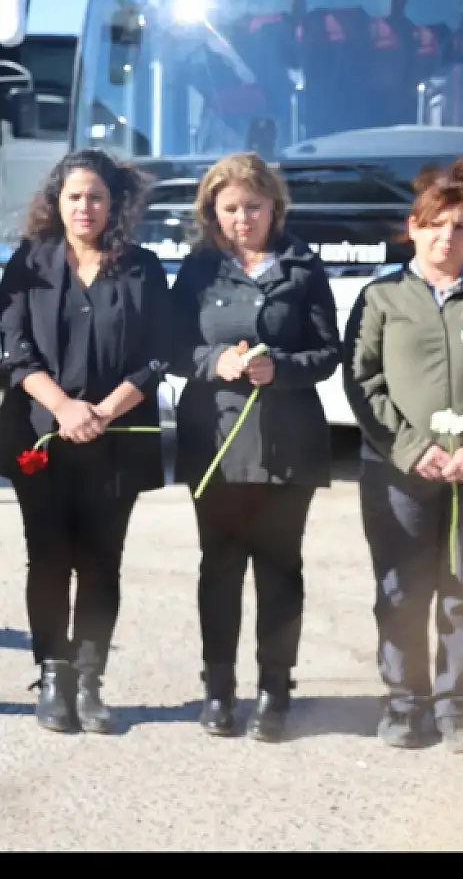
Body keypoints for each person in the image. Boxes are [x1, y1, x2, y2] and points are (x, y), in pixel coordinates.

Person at [0, 149, 169, 735]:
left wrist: (105, 410)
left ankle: (90, 682)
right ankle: (53, 676)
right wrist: (63, 407)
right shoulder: (29, 263)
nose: (84, 207)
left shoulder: (143, 267)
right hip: (42, 435)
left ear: (114, 203)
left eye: (95, 196)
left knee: (101, 563)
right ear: (56, 202)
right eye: (74, 196)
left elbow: (157, 355)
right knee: (48, 560)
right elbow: (15, 348)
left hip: (118, 438)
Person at [342, 159, 463, 755]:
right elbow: (362, 382)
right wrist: (412, 448)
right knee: (402, 588)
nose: (447, 237)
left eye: (462, 226)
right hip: (400, 473)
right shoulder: (381, 297)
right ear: (412, 228)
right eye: (435, 223)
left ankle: (456, 707)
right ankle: (405, 703)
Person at [168, 153, 341, 742]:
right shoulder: (199, 270)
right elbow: (171, 346)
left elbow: (327, 353)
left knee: (279, 568)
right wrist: (214, 361)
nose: (244, 219)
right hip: (214, 440)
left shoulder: (303, 267)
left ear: (275, 208)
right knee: (218, 566)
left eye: (254, 207)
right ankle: (219, 689)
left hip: (287, 444)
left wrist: (281, 368)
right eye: (231, 209)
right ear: (213, 213)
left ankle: (275, 687)